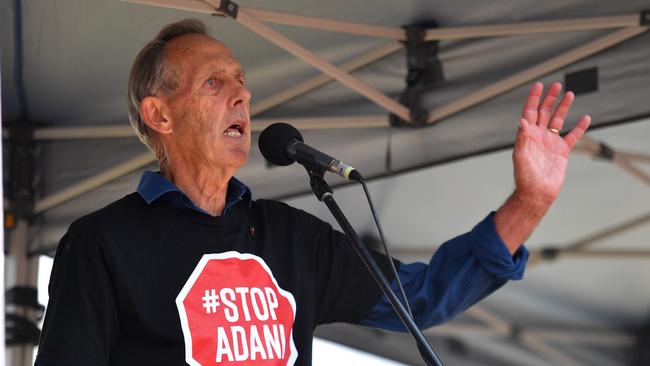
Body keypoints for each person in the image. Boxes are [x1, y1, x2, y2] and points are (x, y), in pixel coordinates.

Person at [35, 19, 590, 366]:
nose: (243, 93)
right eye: (214, 82)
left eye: (240, 79)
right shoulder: (104, 245)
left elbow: (423, 298)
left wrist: (530, 203)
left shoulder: (292, 239)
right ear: (160, 115)